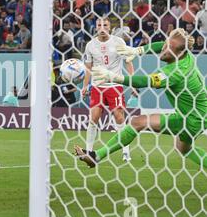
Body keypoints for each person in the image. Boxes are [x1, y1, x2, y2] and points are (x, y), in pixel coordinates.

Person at [76, 28, 207, 170]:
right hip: (191, 114)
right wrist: (137, 50)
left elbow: (145, 81)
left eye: (168, 48)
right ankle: (96, 156)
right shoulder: (184, 54)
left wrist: (112, 77)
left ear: (179, 53)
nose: (163, 49)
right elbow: (161, 45)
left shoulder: (177, 72)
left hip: (193, 119)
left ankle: (96, 156)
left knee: (139, 123)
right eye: (165, 44)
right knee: (181, 147)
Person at [81, 17, 136, 162]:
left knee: (119, 116)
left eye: (105, 25)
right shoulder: (90, 45)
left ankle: (125, 152)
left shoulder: (118, 42)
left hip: (115, 85)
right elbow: (88, 68)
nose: (102, 27)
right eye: (99, 25)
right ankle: (88, 151)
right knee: (94, 118)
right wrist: (85, 86)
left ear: (110, 27)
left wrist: (133, 81)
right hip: (98, 86)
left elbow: (128, 62)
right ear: (96, 27)